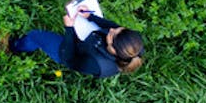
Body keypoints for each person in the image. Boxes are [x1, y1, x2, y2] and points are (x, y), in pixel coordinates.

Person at [8, 9, 144, 77]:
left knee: (36, 36)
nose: (112, 30)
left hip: (69, 52)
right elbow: (113, 26)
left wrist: (69, 29)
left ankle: (15, 46)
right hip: (89, 44)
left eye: (112, 34)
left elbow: (69, 56)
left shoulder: (97, 65)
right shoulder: (131, 41)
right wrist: (90, 16)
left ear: (113, 49)